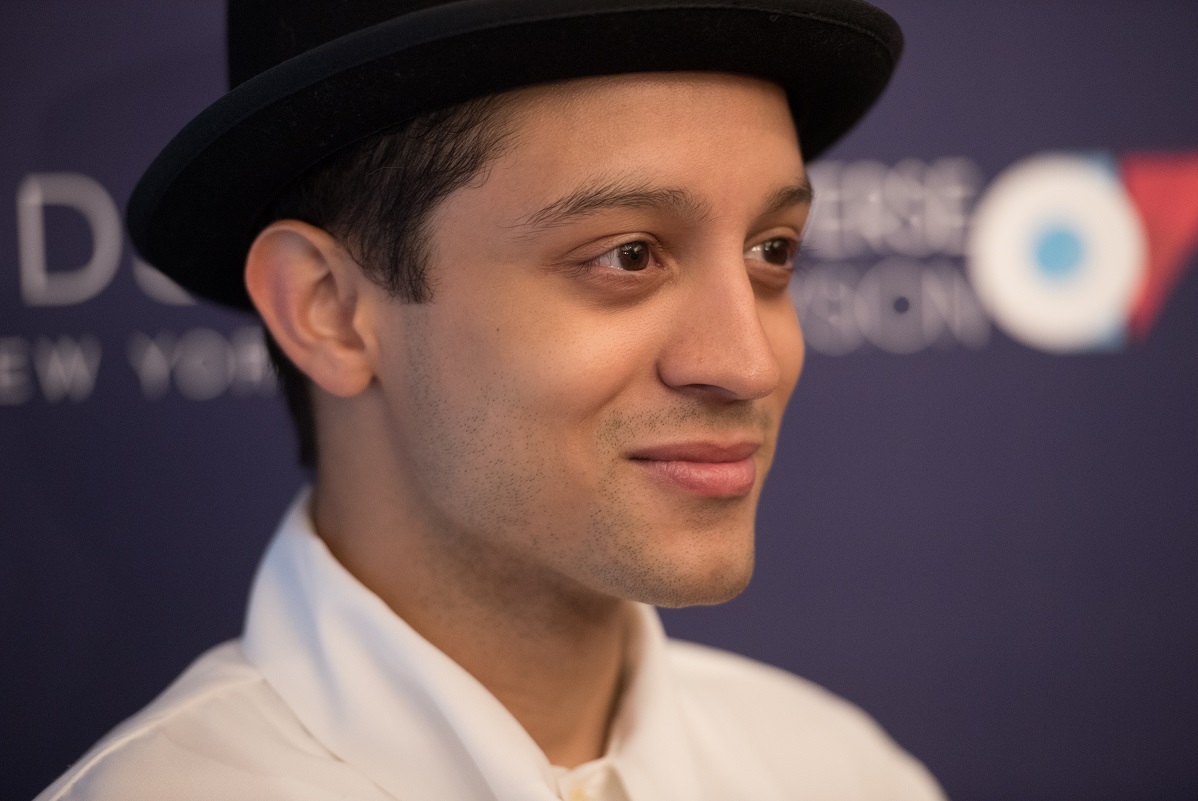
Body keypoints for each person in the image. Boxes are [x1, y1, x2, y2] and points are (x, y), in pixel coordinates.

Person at [38, 1, 944, 799]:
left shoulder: (845, 773)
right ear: (328, 311)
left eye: (772, 252)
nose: (747, 362)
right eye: (628, 255)